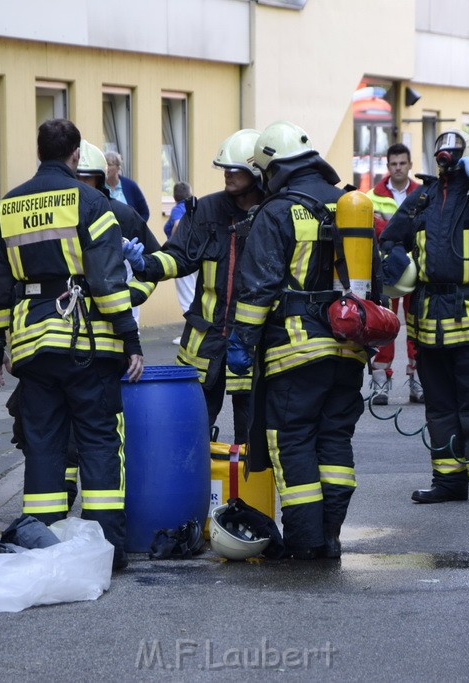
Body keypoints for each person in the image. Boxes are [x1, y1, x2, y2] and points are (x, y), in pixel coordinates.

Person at [0, 119, 143, 571]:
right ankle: (107, 550)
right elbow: (108, 281)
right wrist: (130, 338)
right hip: (87, 343)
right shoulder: (91, 202)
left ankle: (42, 545)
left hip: (32, 345)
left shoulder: (8, 207)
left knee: (44, 444)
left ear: (39, 152)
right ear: (76, 156)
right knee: (98, 441)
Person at [227, 120, 367, 560]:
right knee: (334, 441)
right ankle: (330, 537)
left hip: (295, 351)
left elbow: (257, 289)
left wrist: (242, 344)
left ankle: (307, 544)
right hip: (348, 350)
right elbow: (372, 282)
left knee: (293, 441)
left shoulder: (277, 211)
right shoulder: (348, 205)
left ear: (272, 167)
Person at [380, 130, 469, 510]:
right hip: (430, 326)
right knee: (440, 408)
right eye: (442, 156)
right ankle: (448, 480)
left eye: (452, 157)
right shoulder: (423, 198)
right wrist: (395, 262)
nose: (445, 163)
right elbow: (391, 238)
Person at [127, 130, 264, 445]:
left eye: (235, 168)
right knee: (191, 431)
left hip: (253, 342)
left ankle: (248, 494)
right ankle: (195, 492)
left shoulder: (272, 212)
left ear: (256, 172)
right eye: (224, 167)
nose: (227, 173)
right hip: (206, 343)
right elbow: (178, 258)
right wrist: (144, 263)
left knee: (253, 436)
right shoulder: (206, 210)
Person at [76, 141, 161, 326]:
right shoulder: (58, 216)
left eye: (86, 179)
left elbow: (156, 263)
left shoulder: (123, 214)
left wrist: (132, 294)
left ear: (99, 179)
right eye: (76, 178)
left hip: (118, 327)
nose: (81, 185)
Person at [366, 143, 422, 405]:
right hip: (386, 269)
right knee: (384, 324)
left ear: (410, 164)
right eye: (393, 164)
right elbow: (367, 229)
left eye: (402, 163)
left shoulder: (423, 193)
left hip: (416, 268)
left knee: (417, 325)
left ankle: (417, 379)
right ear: (387, 167)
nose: (398, 168)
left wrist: (383, 225)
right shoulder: (371, 196)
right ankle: (380, 382)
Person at [164, 181, 198, 344]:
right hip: (197, 255)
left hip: (183, 257)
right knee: (197, 293)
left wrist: (175, 244)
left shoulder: (178, 208)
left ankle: (192, 334)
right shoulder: (194, 206)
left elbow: (177, 224)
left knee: (186, 296)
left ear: (174, 196)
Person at [104, 151, 150, 221]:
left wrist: (138, 228)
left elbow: (145, 212)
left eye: (109, 164)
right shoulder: (99, 186)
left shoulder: (130, 186)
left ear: (118, 168)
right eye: (105, 164)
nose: (106, 168)